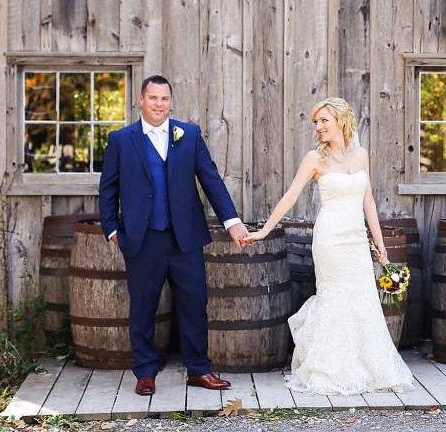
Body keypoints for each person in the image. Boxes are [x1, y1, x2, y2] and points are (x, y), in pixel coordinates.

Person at [244, 97, 414, 395]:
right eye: (316, 122)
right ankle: (329, 369)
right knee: (335, 298)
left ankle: (366, 369)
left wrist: (380, 244)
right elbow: (290, 196)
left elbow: (369, 201)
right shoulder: (314, 159)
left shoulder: (361, 155)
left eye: (324, 121)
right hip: (331, 239)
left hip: (356, 240)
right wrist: (263, 231)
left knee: (362, 299)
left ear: (341, 121)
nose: (318, 127)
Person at [98, 75, 250, 396]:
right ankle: (145, 371)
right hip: (143, 239)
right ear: (141, 100)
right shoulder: (121, 140)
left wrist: (232, 221)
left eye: (164, 99)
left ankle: (199, 369)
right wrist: (112, 229)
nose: (159, 105)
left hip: (185, 237)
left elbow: (210, 180)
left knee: (195, 302)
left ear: (171, 101)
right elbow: (108, 189)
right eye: (153, 98)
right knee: (143, 305)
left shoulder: (188, 135)